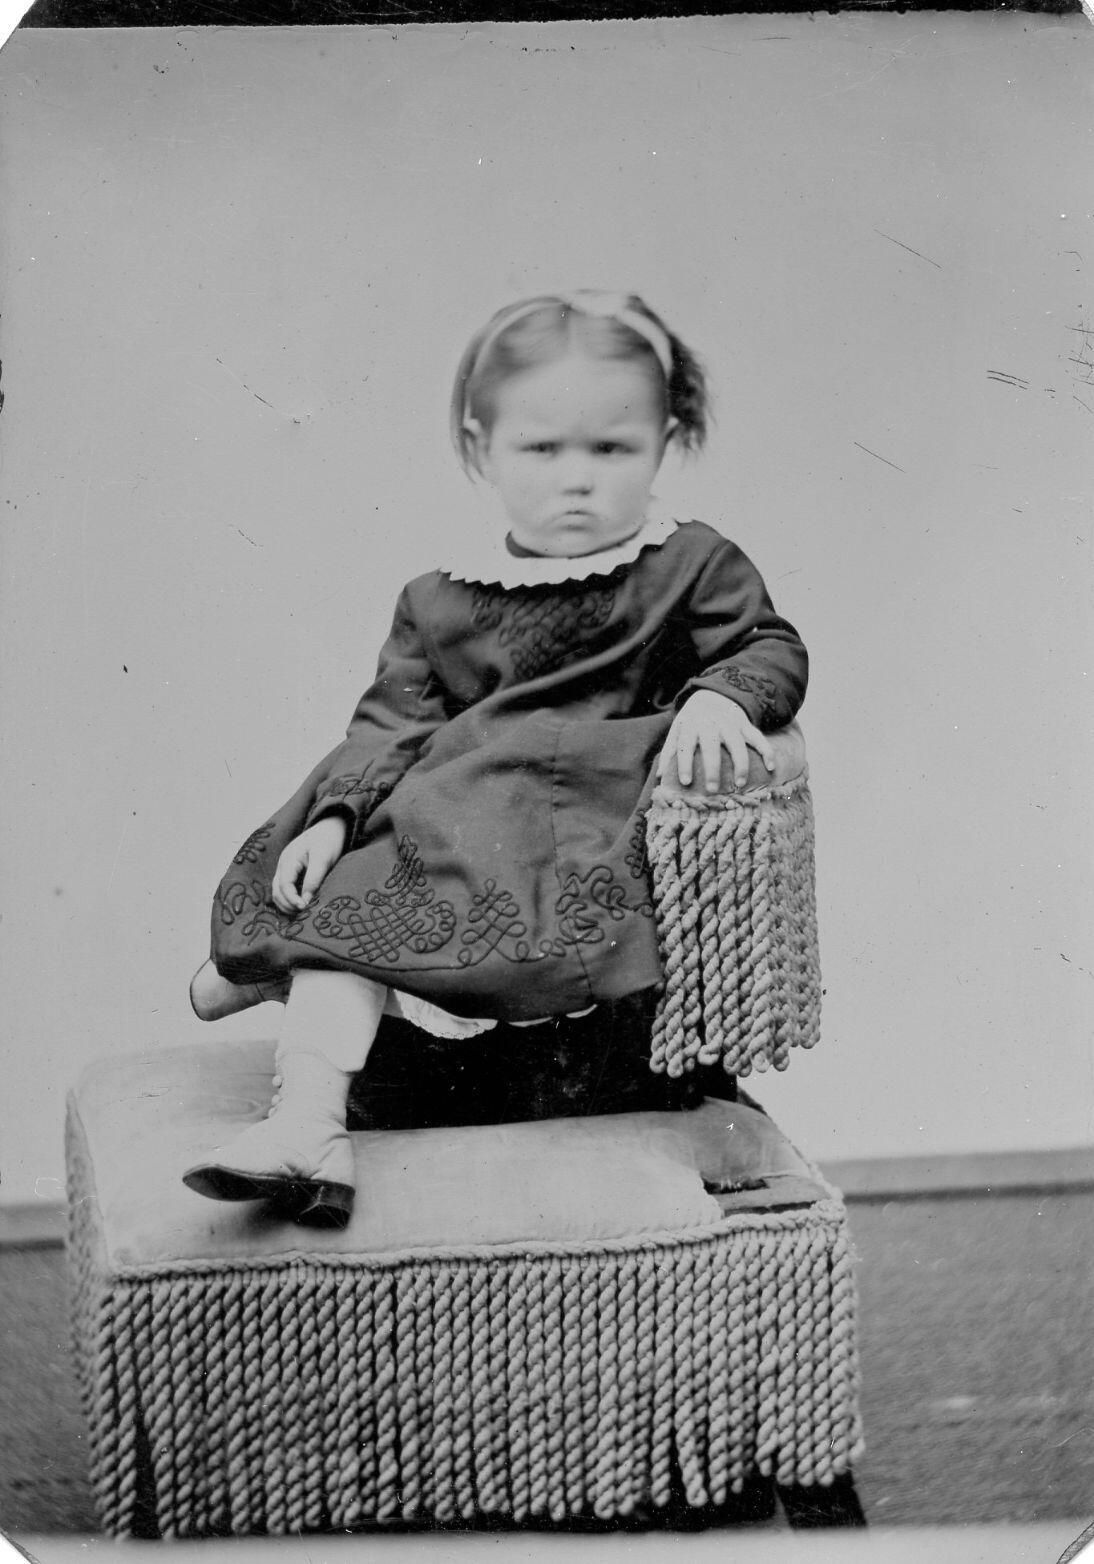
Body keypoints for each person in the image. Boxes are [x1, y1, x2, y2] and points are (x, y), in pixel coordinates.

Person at [183, 290, 808, 1227]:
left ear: (666, 443)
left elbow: (768, 644)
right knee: (351, 883)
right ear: (483, 450)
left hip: (586, 815)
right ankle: (305, 1121)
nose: (577, 481)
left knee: (416, 910)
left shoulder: (688, 565)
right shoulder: (440, 599)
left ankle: (269, 972)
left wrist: (723, 694)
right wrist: (334, 817)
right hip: (446, 816)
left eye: (613, 449)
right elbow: (389, 723)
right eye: (541, 450)